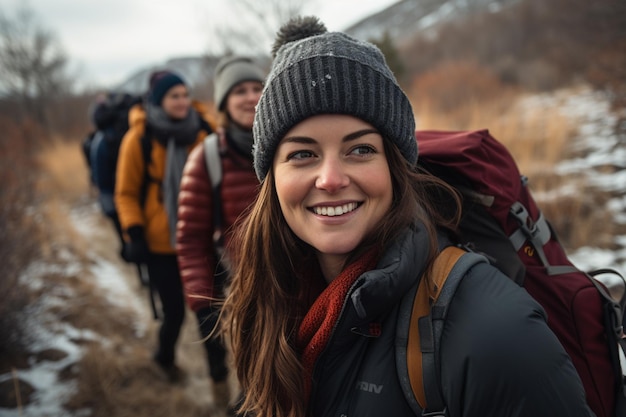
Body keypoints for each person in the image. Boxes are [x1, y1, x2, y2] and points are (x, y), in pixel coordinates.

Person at [221, 16, 594, 417]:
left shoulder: (497, 334)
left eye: (360, 149)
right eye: (302, 154)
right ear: (271, 177)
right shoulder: (270, 299)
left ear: (396, 168)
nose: (330, 179)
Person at [176, 56, 265, 410]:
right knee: (258, 381)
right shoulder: (207, 158)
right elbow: (192, 238)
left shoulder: (288, 144)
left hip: (307, 282)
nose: (251, 97)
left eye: (257, 87)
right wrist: (202, 301)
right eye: (240, 90)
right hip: (249, 293)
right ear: (225, 103)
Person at [114, 70, 214, 382]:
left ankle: (220, 377)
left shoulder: (204, 133)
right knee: (173, 313)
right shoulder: (138, 139)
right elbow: (126, 193)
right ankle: (165, 359)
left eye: (185, 94)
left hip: (201, 239)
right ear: (159, 100)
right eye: (175, 96)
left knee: (209, 313)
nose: (183, 101)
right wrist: (135, 232)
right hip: (160, 245)